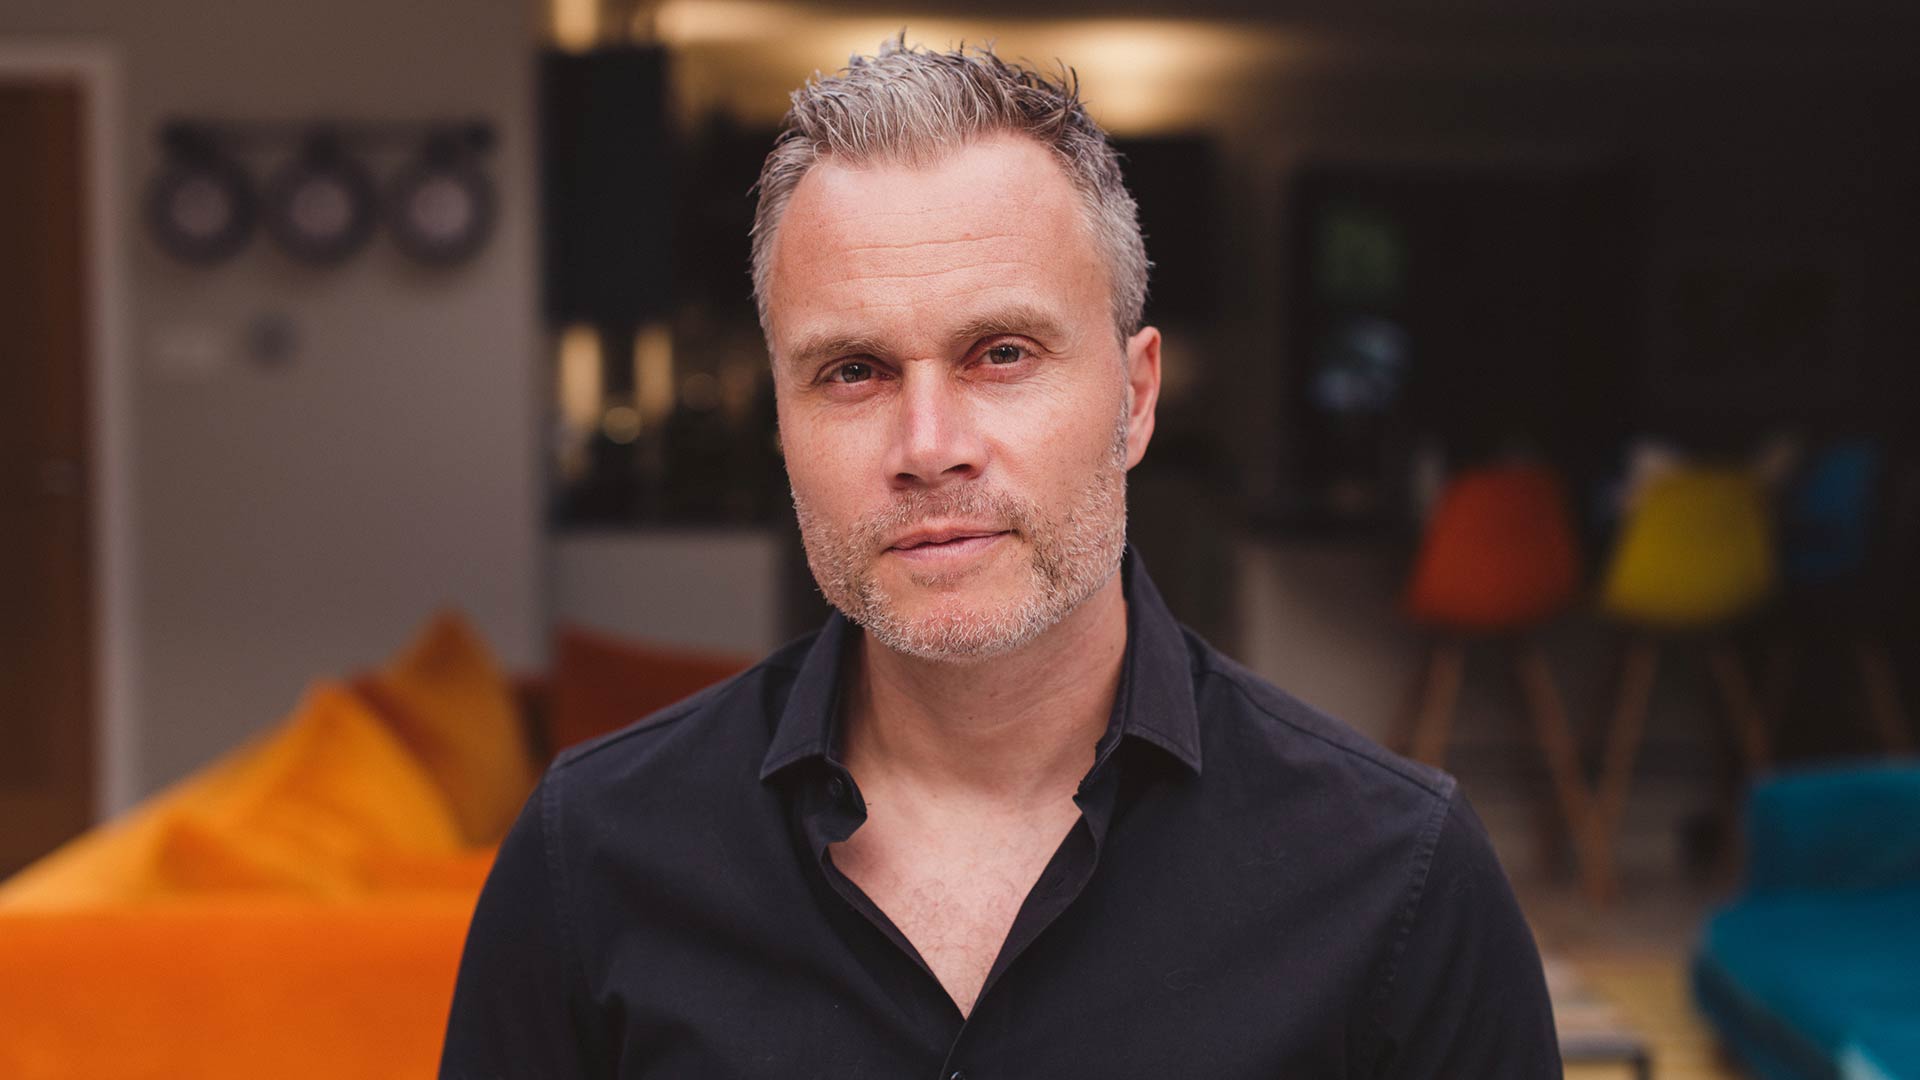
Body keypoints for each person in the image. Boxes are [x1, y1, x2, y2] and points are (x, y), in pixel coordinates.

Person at [441, 37, 1560, 1078]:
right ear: (781, 421)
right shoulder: (592, 857)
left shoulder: (1400, 879)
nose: (929, 447)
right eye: (853, 371)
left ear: (1135, 398)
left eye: (1003, 353)